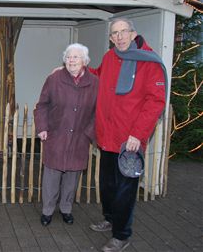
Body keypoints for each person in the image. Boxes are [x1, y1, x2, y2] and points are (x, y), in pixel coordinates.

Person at [88, 18, 166, 252]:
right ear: (111, 38)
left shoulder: (149, 62)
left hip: (129, 140)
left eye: (124, 32)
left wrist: (138, 134)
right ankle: (110, 218)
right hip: (107, 136)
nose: (120, 36)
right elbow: (97, 77)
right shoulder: (109, 57)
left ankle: (121, 235)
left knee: (125, 189)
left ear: (133, 34)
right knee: (108, 185)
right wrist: (75, 68)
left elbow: (156, 102)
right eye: (115, 33)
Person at [34, 43, 98, 227]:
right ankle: (47, 211)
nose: (71, 60)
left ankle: (66, 209)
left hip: (79, 138)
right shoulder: (54, 79)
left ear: (84, 61)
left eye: (75, 57)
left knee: (72, 178)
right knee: (51, 178)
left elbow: (98, 112)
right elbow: (42, 105)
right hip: (56, 135)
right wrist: (42, 127)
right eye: (68, 57)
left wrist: (88, 134)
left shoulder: (95, 83)